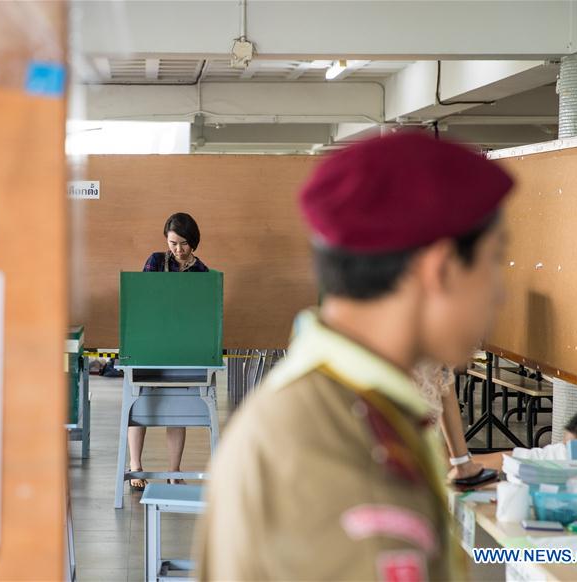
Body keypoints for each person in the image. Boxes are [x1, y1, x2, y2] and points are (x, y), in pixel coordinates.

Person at [196, 131, 514, 581]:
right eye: (493, 261)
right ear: (438, 269)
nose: (498, 293)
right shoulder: (330, 449)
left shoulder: (353, 408)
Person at [129, 212, 208, 492]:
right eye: (173, 243)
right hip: (151, 344)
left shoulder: (202, 273)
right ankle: (135, 466)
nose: (177, 249)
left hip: (181, 348)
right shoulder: (154, 261)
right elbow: (143, 299)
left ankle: (174, 470)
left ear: (193, 243)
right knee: (140, 403)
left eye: (183, 243)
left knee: (177, 408)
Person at [474, 407, 577, 471]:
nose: (565, 452)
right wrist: (462, 463)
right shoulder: (568, 453)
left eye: (570, 449)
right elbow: (515, 459)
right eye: (564, 446)